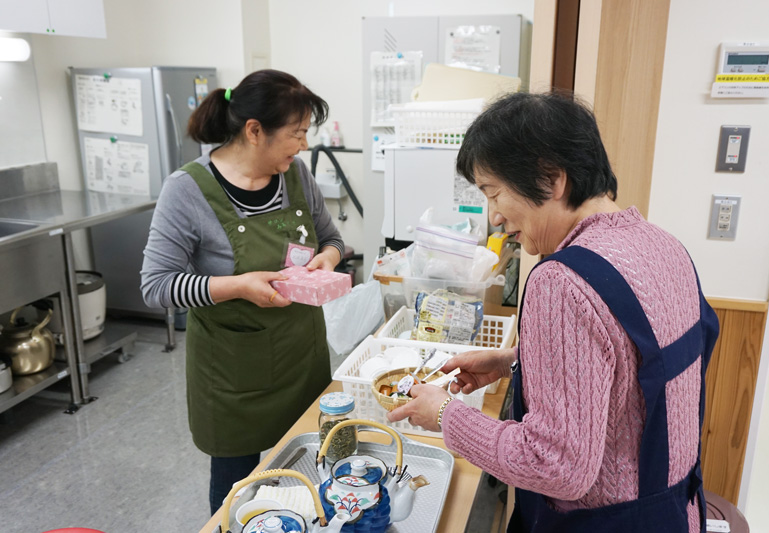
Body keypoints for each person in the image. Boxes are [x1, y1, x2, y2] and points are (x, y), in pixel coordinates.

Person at [388, 91, 718, 532]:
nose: (495, 217)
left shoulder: (561, 281)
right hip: (675, 514)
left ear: (552, 179)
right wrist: (517, 361)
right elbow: (633, 365)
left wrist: (447, 414)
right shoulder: (662, 245)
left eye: (494, 193)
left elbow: (554, 464)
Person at [140, 70, 344, 514]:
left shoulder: (296, 176)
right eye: (296, 133)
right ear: (254, 131)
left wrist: (327, 259)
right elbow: (156, 286)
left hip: (302, 357)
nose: (303, 144)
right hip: (234, 373)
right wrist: (238, 286)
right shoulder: (187, 190)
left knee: (307, 471)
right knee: (237, 492)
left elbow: (331, 239)